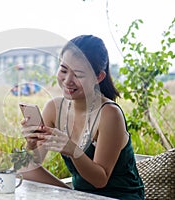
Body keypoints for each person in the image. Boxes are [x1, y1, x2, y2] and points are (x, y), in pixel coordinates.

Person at [20, 35, 144, 199]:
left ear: (98, 77)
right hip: (80, 196)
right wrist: (31, 144)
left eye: (78, 75)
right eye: (63, 70)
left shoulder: (109, 114)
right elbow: (28, 167)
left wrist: (73, 150)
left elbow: (100, 180)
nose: (67, 80)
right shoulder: (54, 108)